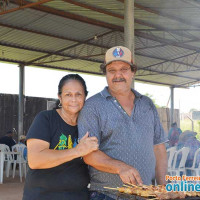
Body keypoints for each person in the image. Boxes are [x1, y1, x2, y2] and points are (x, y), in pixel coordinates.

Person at [78, 46, 168, 200]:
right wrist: (120, 167)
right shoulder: (92, 106)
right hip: (107, 195)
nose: (117, 75)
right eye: (111, 70)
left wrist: (164, 188)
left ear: (133, 72)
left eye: (124, 69)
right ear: (105, 74)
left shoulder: (147, 104)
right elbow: (89, 154)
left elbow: (159, 148)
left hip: (146, 194)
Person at [23, 74, 99, 200]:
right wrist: (77, 151)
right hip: (43, 196)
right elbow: (35, 160)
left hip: (78, 196)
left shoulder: (88, 125)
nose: (73, 99)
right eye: (68, 94)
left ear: (85, 96)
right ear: (60, 97)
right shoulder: (46, 118)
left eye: (78, 94)